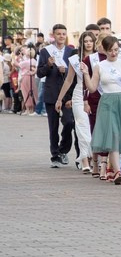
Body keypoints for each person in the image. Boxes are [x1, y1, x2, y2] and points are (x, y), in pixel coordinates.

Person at [84, 35, 121, 184]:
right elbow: (92, 87)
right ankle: (118, 171)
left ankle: (113, 169)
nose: (114, 53)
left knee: (119, 135)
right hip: (107, 102)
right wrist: (86, 73)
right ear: (104, 50)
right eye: (111, 50)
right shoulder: (99, 66)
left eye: (116, 50)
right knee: (113, 135)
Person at [54, 31, 98, 174]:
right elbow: (68, 80)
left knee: (94, 128)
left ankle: (94, 159)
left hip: (95, 93)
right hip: (79, 93)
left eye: (91, 41)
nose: (88, 43)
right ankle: (84, 159)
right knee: (81, 126)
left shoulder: (98, 58)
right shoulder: (74, 59)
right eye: (86, 41)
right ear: (82, 43)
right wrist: (60, 98)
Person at [36, 23, 76, 169]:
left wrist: (64, 70)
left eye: (63, 34)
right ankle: (55, 155)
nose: (61, 36)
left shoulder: (71, 52)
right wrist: (49, 65)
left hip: (67, 93)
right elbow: (39, 73)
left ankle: (63, 149)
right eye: (58, 34)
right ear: (53, 35)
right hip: (52, 92)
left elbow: (75, 73)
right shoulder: (46, 51)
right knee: (53, 126)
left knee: (69, 122)